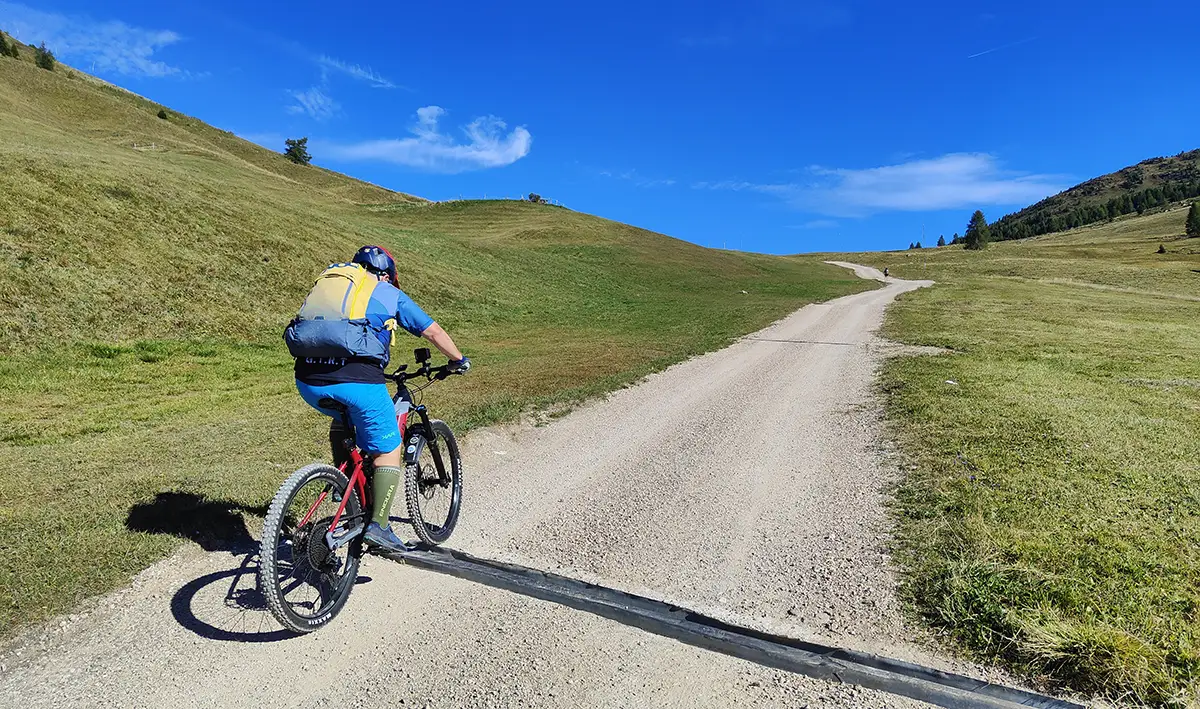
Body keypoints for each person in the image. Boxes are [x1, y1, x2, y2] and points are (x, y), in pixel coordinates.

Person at [289, 245, 470, 553]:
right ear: (386, 274)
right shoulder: (387, 293)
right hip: (357, 380)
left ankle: (342, 484)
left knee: (342, 416)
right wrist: (458, 359)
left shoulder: (336, 288)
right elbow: (433, 332)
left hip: (308, 380)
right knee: (388, 446)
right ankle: (380, 526)